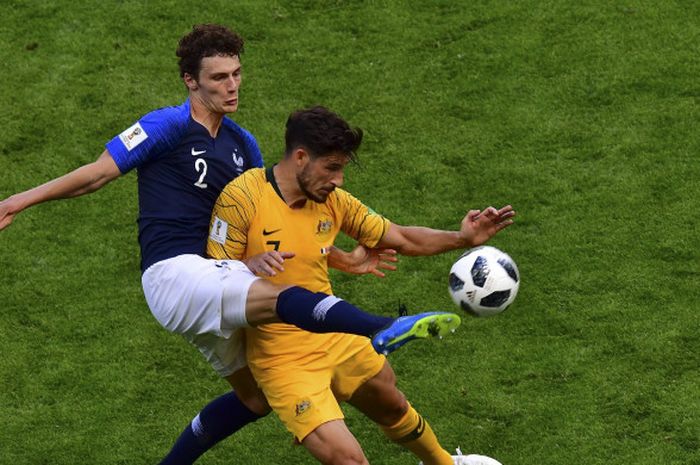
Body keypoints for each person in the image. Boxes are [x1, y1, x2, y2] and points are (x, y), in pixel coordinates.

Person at [0, 24, 465, 465]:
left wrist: (337, 257)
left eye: (237, 74)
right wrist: (18, 201)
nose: (232, 85)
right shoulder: (167, 125)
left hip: (216, 279)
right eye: (219, 77)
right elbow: (97, 174)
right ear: (191, 81)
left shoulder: (244, 146)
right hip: (175, 273)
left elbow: (259, 225)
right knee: (282, 298)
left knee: (255, 397)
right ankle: (384, 326)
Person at [207, 106, 514, 465]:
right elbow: (210, 278)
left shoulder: (333, 202)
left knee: (392, 403)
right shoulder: (242, 197)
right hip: (282, 358)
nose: (339, 180)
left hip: (335, 333)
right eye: (332, 168)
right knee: (349, 460)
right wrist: (246, 264)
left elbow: (399, 237)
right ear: (301, 157)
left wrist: (463, 238)